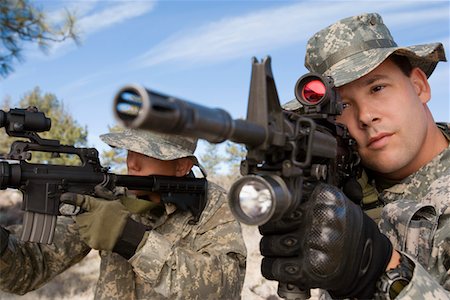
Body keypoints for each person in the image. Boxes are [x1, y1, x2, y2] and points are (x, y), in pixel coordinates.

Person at [260, 13, 449, 299]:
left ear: (419, 86)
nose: (365, 116)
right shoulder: (340, 193)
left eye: (377, 88)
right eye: (343, 105)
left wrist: (382, 269)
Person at [0, 129, 247, 299]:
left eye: (147, 153)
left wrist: (130, 239)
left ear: (182, 165)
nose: (132, 163)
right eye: (130, 150)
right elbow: (30, 267)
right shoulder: (109, 195)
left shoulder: (212, 203)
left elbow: (223, 289)